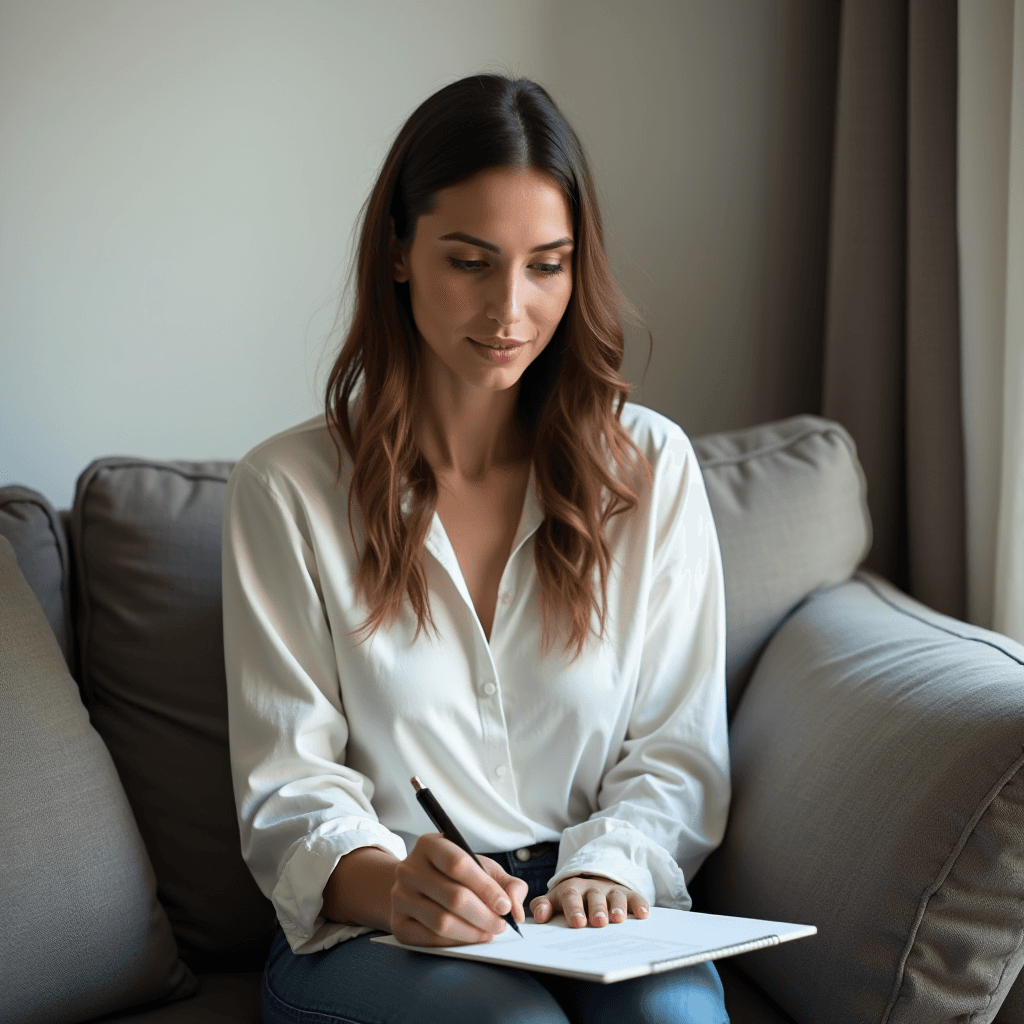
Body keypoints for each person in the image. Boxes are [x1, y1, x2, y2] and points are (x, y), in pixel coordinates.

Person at [222, 73, 732, 1024]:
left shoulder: (650, 467)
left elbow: (678, 747)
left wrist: (609, 869)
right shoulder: (284, 491)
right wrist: (394, 886)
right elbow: (288, 787)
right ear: (401, 253)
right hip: (381, 928)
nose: (509, 309)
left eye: (546, 265)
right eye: (470, 261)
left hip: (599, 903)